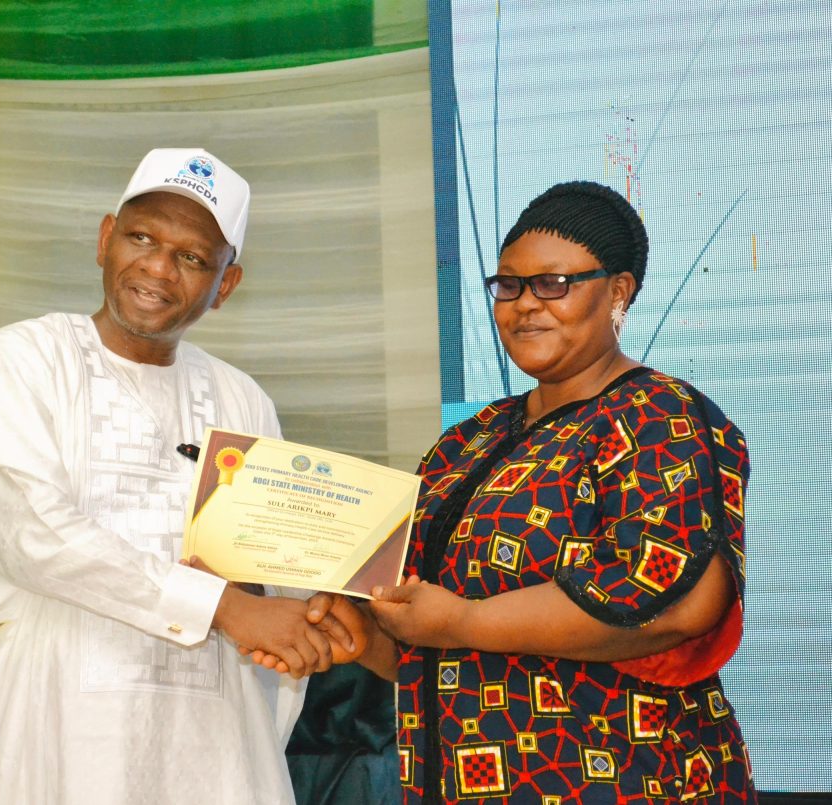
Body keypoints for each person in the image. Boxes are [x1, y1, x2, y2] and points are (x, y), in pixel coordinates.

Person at [0, 148, 350, 804]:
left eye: (192, 257)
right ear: (106, 239)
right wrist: (225, 607)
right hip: (42, 726)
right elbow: (31, 536)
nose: (157, 267)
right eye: (142, 237)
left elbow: (270, 565)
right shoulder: (26, 357)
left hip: (205, 743)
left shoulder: (242, 400)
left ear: (226, 285)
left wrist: (312, 611)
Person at [285, 181, 756, 802]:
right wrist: (367, 636)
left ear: (619, 291)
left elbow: (682, 606)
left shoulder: (657, 416)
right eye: (508, 285)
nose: (525, 304)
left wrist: (465, 621)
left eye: (553, 284)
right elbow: (433, 645)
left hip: (622, 778)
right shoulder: (467, 442)